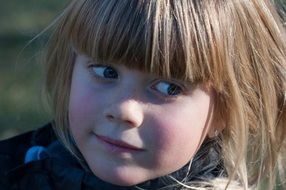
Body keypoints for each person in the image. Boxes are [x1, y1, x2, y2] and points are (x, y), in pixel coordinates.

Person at [1, 0, 286, 189]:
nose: (124, 110)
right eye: (106, 72)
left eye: (168, 88)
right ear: (71, 65)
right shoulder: (15, 169)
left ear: (225, 111)